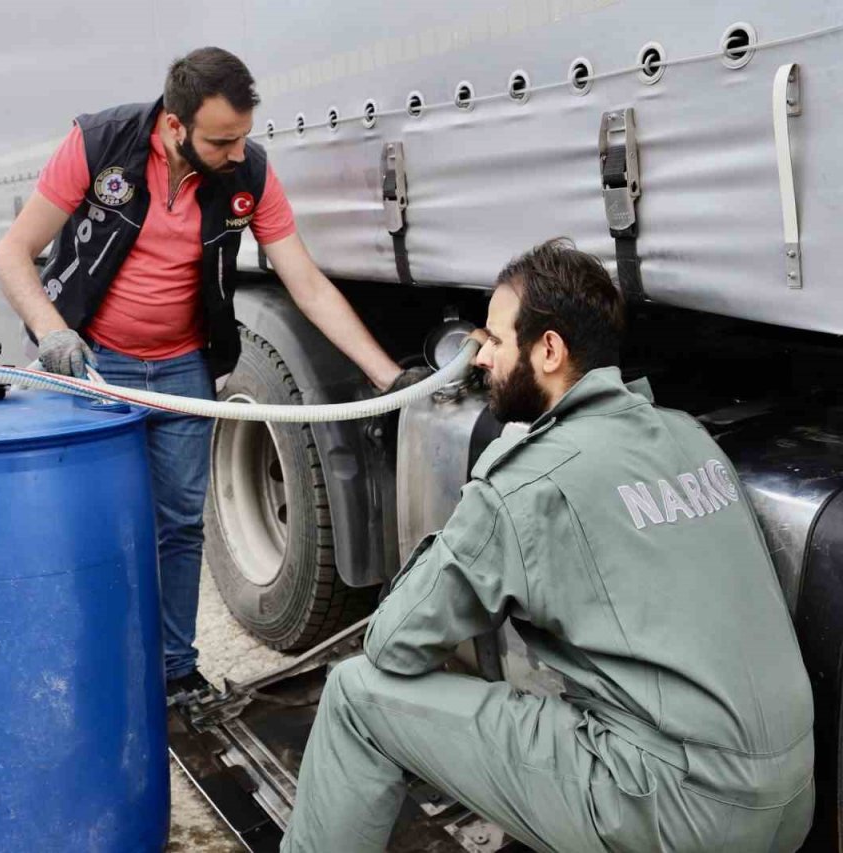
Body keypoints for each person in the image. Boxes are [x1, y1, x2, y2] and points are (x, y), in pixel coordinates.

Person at [282, 239, 815, 852]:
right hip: (787, 803)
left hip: (670, 810)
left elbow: (393, 644)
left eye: (495, 340)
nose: (481, 359)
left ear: (550, 350)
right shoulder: (686, 434)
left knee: (355, 694)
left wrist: (478, 508)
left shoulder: (530, 479)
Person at [0, 46, 420, 696]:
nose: (235, 152)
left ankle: (174, 670)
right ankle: (96, 670)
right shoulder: (100, 143)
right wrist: (52, 332)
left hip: (183, 369)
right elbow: (13, 253)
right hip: (98, 365)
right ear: (172, 126)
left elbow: (305, 282)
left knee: (180, 524)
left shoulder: (246, 171)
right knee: (95, 526)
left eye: (243, 137)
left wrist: (389, 378)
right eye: (221, 140)